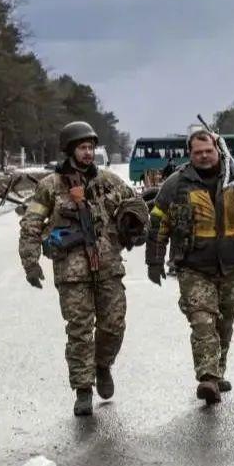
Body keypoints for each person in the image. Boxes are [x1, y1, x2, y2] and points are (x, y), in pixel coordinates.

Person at [18, 121, 148, 416]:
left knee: (113, 325)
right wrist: (30, 261)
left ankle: (102, 365)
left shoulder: (108, 181)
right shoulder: (50, 186)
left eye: (91, 147)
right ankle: (83, 389)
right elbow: (31, 223)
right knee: (78, 331)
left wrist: (135, 226)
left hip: (108, 266)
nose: (88, 153)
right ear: (70, 150)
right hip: (72, 271)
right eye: (82, 147)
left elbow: (137, 206)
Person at [145, 128, 234, 404]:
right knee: (203, 322)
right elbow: (159, 220)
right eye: (198, 152)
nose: (204, 156)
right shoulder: (176, 184)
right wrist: (154, 260)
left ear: (218, 151)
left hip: (232, 265)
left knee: (224, 324)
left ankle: (218, 370)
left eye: (209, 151)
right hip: (193, 266)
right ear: (190, 154)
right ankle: (207, 378)